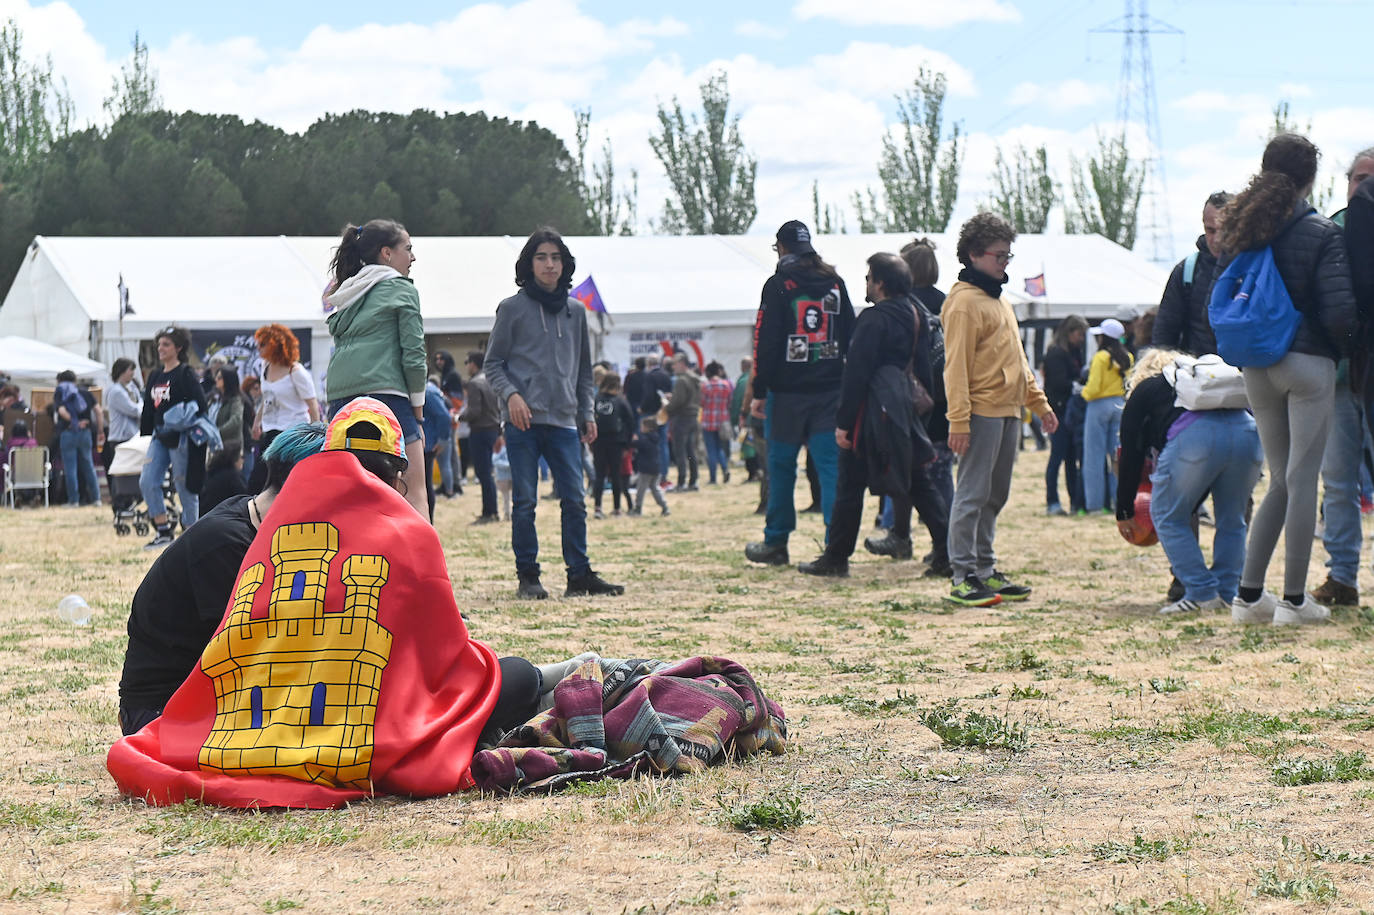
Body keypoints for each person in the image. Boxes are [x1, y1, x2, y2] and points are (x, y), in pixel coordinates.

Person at [116, 422, 326, 735]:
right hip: (158, 714)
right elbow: (250, 657)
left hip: (190, 701)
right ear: (308, 486)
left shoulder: (248, 516)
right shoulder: (227, 545)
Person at [1224, 133, 1357, 625]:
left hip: (1257, 363)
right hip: (1307, 364)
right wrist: (1343, 347)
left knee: (1279, 479)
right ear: (1311, 179)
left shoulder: (1244, 226)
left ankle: (1248, 596)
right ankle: (1295, 602)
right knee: (1303, 482)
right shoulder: (1322, 232)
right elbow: (1340, 309)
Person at [484, 227, 623, 599]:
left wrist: (587, 412)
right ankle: (528, 576)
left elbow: (583, 370)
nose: (550, 264)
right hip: (522, 421)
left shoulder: (577, 311)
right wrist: (511, 395)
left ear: (565, 264)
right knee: (525, 501)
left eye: (556, 257)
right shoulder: (512, 308)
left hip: (564, 420)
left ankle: (579, 575)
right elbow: (493, 364)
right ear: (529, 264)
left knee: (575, 499)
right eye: (542, 257)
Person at [942, 212, 1058, 607]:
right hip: (981, 412)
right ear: (974, 254)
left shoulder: (999, 300)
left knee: (995, 494)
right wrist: (959, 420)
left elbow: (1019, 359)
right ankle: (962, 574)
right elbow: (954, 367)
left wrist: (1038, 403)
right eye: (999, 256)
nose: (1005, 263)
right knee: (972, 494)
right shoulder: (963, 304)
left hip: (1009, 410)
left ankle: (985, 569)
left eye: (1009, 256)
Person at [798, 253, 930, 577]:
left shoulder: (873, 319)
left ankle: (836, 557)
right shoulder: (915, 315)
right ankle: (945, 550)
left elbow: (855, 374)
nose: (867, 283)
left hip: (870, 414)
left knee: (850, 486)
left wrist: (843, 424)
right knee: (917, 482)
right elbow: (925, 370)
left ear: (880, 283)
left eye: (870, 276)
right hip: (902, 409)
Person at [1116, 350, 1262, 614]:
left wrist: (1124, 509)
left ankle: (1201, 591)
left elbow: (1130, 454)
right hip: (1247, 432)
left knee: (1166, 516)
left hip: (1195, 439)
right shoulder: (1209, 383)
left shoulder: (1148, 389)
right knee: (1233, 519)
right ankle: (1227, 592)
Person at [745, 220, 856, 566]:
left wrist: (759, 388)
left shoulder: (778, 284)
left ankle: (776, 542)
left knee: (781, 467)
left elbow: (766, 339)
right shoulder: (835, 283)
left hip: (787, 393)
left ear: (781, 247)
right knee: (830, 468)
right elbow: (851, 332)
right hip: (830, 390)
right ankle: (835, 545)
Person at [323, 219, 429, 519]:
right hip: (388, 398)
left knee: (351, 499)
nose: (412, 257)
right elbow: (413, 353)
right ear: (386, 253)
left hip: (342, 401)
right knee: (414, 493)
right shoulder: (401, 289)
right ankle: (423, 565)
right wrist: (418, 409)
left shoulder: (346, 294)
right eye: (407, 249)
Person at [1310, 146, 1374, 608]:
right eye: (1358, 177)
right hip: (1338, 380)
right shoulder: (1330, 230)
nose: (1363, 186)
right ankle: (1343, 578)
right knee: (1337, 482)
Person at [140, 326, 207, 546]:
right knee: (148, 481)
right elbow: (149, 407)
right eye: (159, 344)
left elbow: (200, 404)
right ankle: (163, 531)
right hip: (159, 436)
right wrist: (146, 432)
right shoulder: (155, 375)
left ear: (178, 348)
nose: (161, 348)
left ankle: (191, 534)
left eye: (166, 344)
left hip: (182, 437)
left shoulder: (186, 374)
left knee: (184, 485)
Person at [1152, 192, 1231, 357]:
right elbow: (1164, 334)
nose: (1216, 239)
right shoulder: (1187, 270)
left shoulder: (1256, 266)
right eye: (1210, 230)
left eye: (1224, 230)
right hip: (1198, 374)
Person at [248, 324, 320, 493]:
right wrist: (257, 422)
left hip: (292, 432)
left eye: (263, 344)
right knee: (258, 482)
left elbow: (313, 405)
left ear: (276, 345)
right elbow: (267, 398)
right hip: (270, 430)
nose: (259, 348)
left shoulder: (296, 371)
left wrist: (316, 437)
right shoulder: (265, 367)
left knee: (285, 482)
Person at [1081, 318, 1133, 515]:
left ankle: (1094, 505)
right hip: (1120, 404)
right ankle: (1118, 501)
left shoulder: (1101, 357)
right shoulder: (1127, 356)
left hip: (1098, 405)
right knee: (1117, 457)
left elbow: (1093, 387)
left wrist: (1082, 394)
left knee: (1093, 456)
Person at [1043, 315, 1088, 516]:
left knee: (1071, 460)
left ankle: (1074, 502)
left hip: (1071, 413)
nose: (1081, 339)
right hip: (1059, 412)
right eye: (1079, 334)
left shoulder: (1074, 351)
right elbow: (1056, 383)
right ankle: (1052, 501)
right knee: (1057, 457)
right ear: (1069, 332)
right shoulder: (1055, 354)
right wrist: (1075, 385)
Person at [461, 352, 502, 524]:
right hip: (493, 430)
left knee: (483, 473)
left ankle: (489, 511)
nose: (466, 366)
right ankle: (491, 510)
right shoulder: (491, 380)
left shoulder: (474, 383)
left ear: (474, 364)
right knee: (488, 473)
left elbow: (474, 411)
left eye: (467, 363)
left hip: (479, 431)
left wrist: (458, 417)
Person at [54, 369, 100, 507]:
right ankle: (96, 499)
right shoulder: (86, 392)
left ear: (60, 381)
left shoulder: (60, 391)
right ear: (75, 380)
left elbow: (61, 411)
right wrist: (99, 430)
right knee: (88, 466)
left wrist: (74, 422)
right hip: (85, 433)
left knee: (70, 468)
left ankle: (74, 500)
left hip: (68, 433)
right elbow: (98, 411)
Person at [591, 372, 634, 518]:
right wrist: (627, 445)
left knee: (599, 475)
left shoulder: (596, 399)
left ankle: (597, 507)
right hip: (616, 442)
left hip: (598, 441)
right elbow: (630, 423)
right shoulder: (620, 401)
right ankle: (617, 508)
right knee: (616, 475)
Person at [665, 353, 702, 492]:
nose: (673, 367)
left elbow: (678, 401)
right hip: (693, 416)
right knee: (691, 451)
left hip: (682, 417)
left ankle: (681, 482)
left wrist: (667, 406)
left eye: (674, 364)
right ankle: (693, 481)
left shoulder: (682, 380)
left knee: (679, 451)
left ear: (681, 363)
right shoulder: (696, 378)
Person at [421, 375, 453, 522]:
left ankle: (429, 523)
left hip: (428, 445)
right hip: (426, 443)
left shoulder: (427, 392)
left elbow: (444, 416)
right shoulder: (429, 390)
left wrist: (442, 440)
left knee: (426, 486)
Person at [435, 350, 466, 496]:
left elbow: (458, 400)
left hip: (451, 418)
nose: (438, 362)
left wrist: (442, 398)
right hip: (445, 417)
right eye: (437, 359)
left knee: (452, 452)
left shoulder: (453, 375)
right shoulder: (445, 375)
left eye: (441, 359)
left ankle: (456, 484)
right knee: (447, 453)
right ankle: (447, 483)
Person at [104, 357, 142, 475]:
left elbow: (140, 402)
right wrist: (142, 408)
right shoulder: (116, 391)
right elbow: (134, 410)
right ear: (122, 371)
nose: (133, 373)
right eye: (130, 370)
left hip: (132, 435)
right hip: (120, 437)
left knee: (131, 473)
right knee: (120, 474)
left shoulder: (131, 387)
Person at [700, 361, 734, 485]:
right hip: (722, 420)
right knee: (720, 447)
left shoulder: (705, 386)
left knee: (711, 449)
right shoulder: (726, 385)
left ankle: (713, 478)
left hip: (708, 421)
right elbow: (730, 401)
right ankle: (725, 469)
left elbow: (701, 403)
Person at [629, 416, 671, 517]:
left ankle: (638, 509)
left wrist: (633, 440)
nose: (641, 428)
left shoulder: (645, 439)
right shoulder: (655, 438)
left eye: (642, 426)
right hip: (656, 468)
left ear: (647, 428)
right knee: (655, 488)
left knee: (641, 490)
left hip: (646, 469)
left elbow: (634, 444)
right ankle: (664, 506)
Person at [210, 366, 244, 461]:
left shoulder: (236, 400)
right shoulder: (214, 398)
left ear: (228, 380)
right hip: (215, 446)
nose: (216, 379)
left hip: (230, 448)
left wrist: (216, 433)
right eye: (216, 377)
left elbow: (236, 420)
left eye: (219, 377)